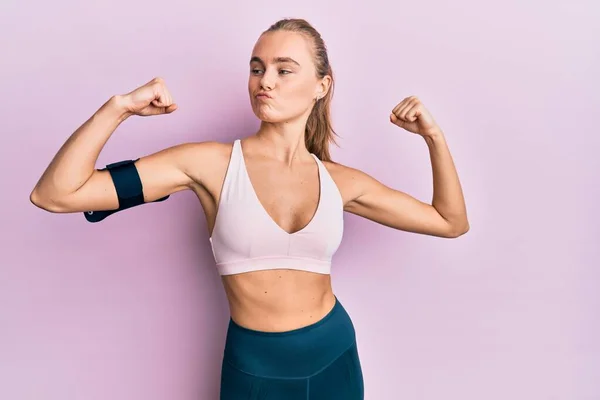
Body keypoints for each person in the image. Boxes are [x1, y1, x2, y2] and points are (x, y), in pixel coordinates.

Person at [30, 18, 469, 400]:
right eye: (257, 69)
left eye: (284, 70)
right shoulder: (209, 164)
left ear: (322, 84)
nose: (266, 82)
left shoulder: (341, 182)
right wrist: (118, 108)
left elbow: (449, 222)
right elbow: (57, 193)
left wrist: (434, 137)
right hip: (256, 368)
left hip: (336, 355)